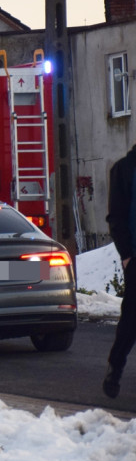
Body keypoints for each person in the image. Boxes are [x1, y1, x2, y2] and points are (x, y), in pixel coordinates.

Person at [105, 144, 136, 398]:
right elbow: (116, 216)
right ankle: (115, 369)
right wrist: (126, 254)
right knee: (132, 320)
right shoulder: (125, 169)